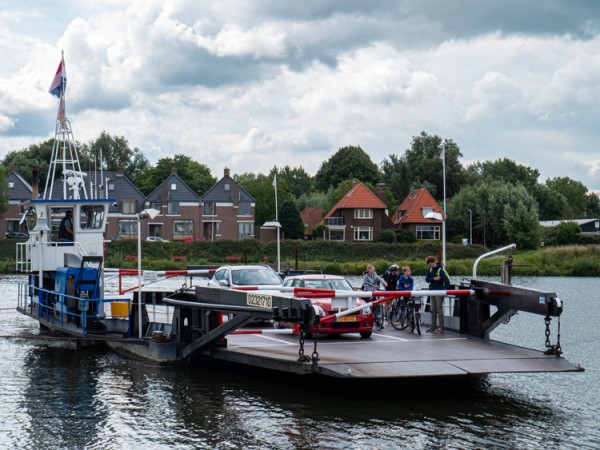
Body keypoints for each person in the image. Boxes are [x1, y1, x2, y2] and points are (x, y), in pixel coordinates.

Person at [425, 256, 450, 333]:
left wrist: (444, 291)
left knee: (439, 309)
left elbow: (447, 280)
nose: (429, 265)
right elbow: (426, 279)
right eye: (429, 264)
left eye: (430, 264)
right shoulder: (430, 270)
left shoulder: (440, 270)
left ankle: (441, 327)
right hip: (432, 291)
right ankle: (432, 327)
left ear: (433, 262)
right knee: (433, 310)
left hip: (439, 292)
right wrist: (434, 279)